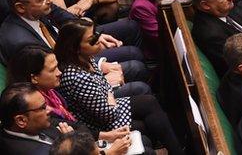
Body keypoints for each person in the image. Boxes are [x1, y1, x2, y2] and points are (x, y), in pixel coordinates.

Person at [54, 18, 183, 154]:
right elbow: (108, 115)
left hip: (106, 107)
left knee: (149, 102)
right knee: (143, 124)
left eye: (96, 35)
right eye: (91, 40)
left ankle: (177, 149)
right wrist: (109, 95)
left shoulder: (86, 58)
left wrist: (108, 94)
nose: (98, 41)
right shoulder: (76, 77)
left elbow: (105, 86)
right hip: (97, 124)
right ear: (75, 48)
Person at [6, 46, 140, 152]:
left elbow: (74, 125)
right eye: (53, 70)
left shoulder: (47, 93)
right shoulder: (31, 143)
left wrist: (105, 136)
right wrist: (109, 153)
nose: (59, 73)